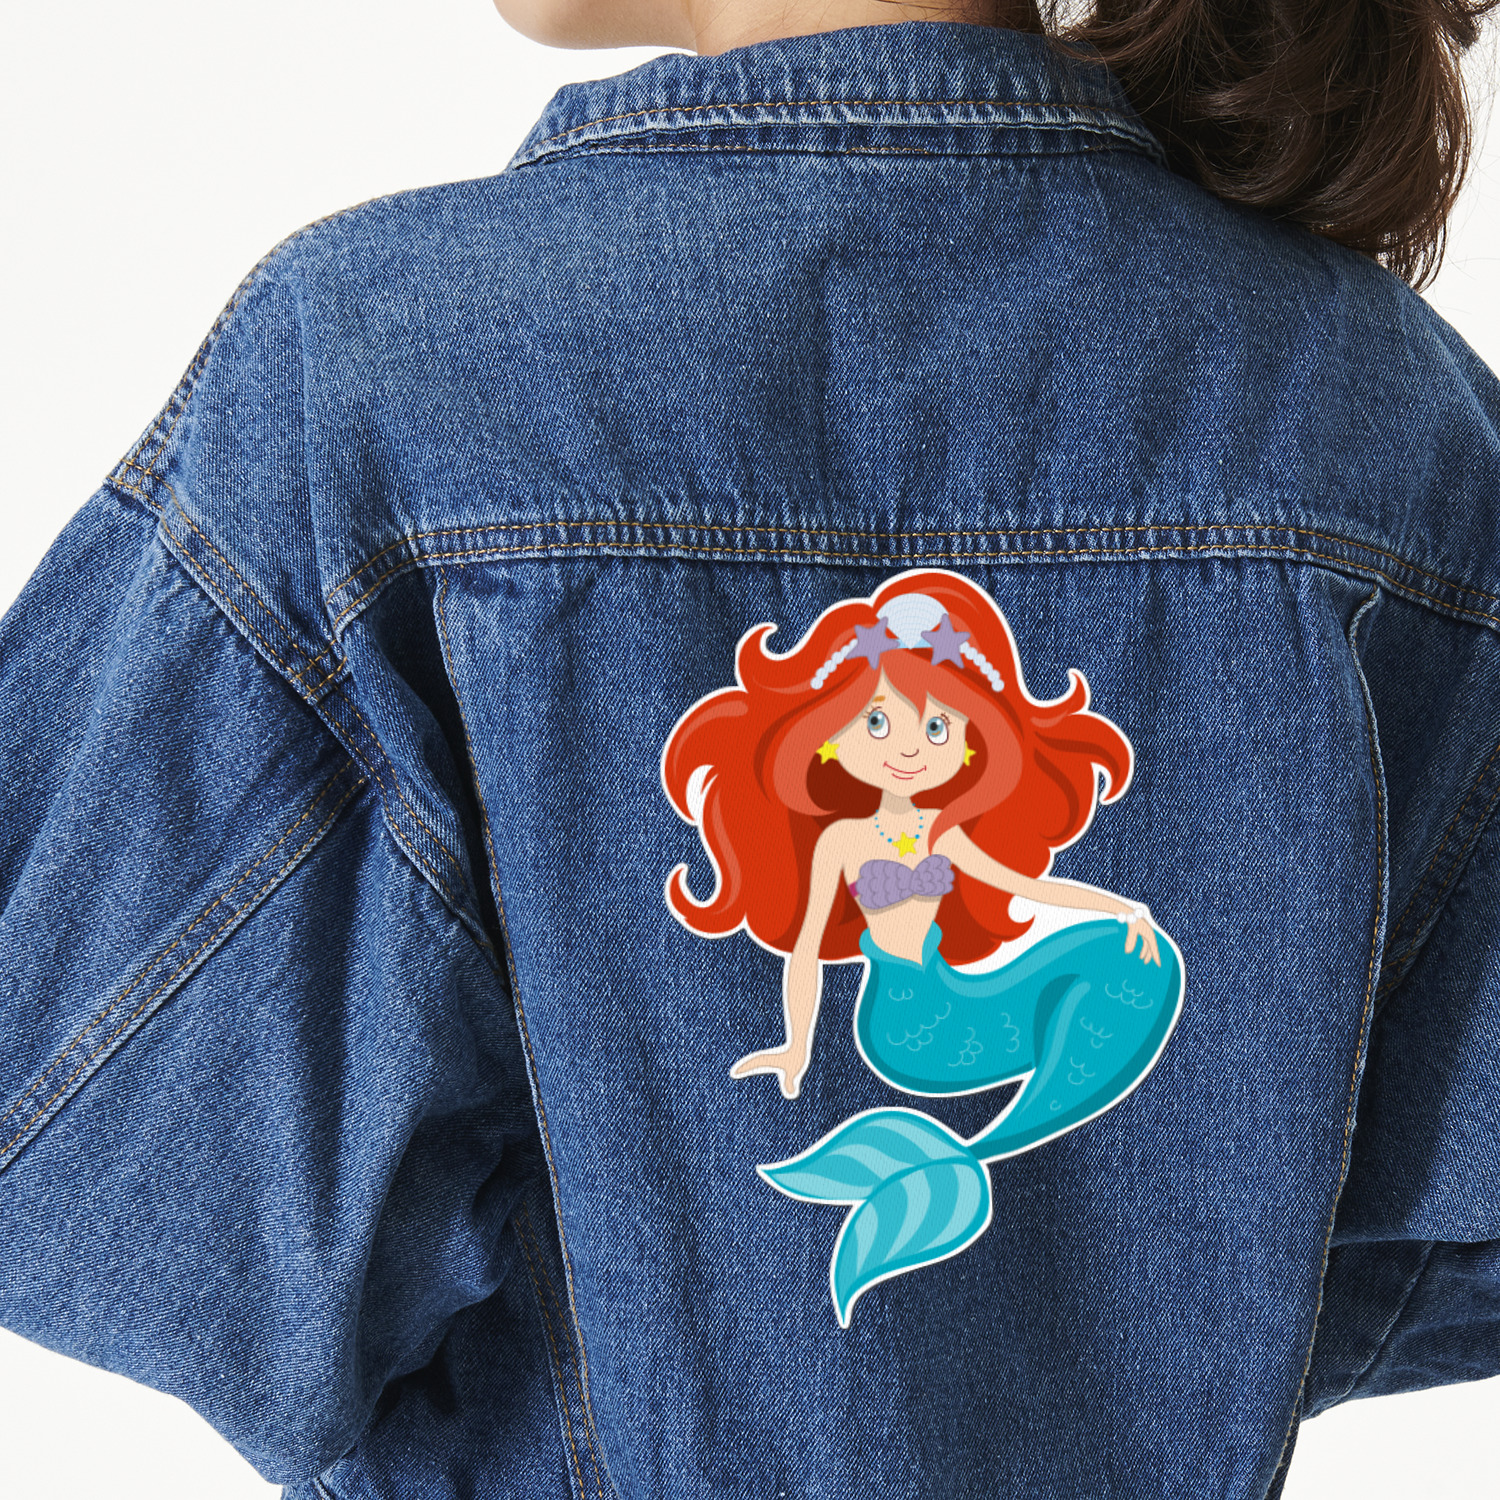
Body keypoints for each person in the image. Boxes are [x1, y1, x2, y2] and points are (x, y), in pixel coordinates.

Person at [0, 2, 1497, 1498]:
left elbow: (95, 1162)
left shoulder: (369, 377)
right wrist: (1166, 1302)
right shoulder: (1392, 420)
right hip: (936, 1046)